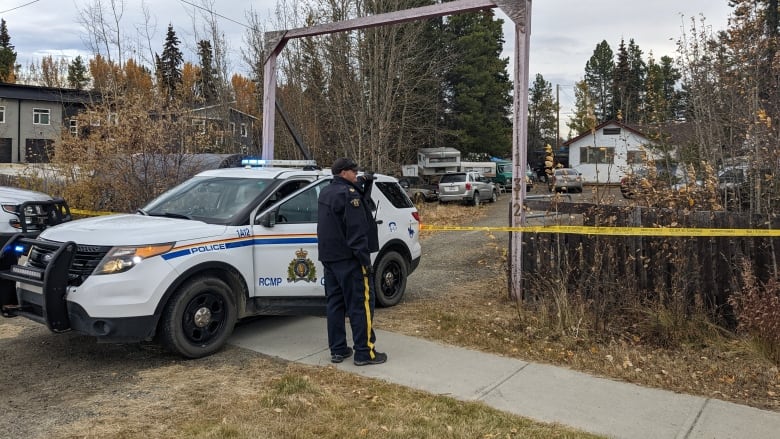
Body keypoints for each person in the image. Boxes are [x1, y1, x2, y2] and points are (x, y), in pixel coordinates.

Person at [317, 157, 386, 366]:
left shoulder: (327, 191)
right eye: (353, 172)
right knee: (360, 305)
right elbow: (356, 231)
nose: (356, 175)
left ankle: (338, 350)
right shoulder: (349, 195)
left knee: (335, 305)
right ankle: (365, 352)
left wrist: (365, 185)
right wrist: (365, 260)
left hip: (329, 259)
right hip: (350, 259)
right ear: (343, 172)